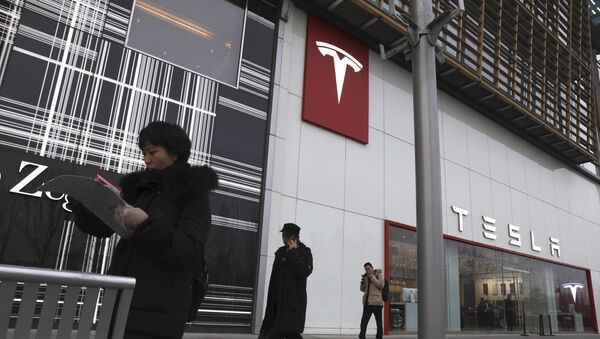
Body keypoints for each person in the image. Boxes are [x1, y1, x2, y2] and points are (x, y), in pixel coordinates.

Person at [69, 121, 218, 339]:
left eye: (152, 152)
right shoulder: (137, 187)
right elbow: (104, 228)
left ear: (174, 152)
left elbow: (187, 251)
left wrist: (145, 223)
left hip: (159, 312)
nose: (146, 159)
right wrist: (85, 203)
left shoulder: (192, 191)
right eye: (143, 152)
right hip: (119, 301)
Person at [259, 223, 313, 339]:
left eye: (286, 236)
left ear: (295, 237)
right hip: (277, 306)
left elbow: (304, 272)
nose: (283, 238)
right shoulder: (280, 252)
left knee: (291, 333)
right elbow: (274, 280)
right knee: (271, 333)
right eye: (283, 235)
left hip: (293, 307)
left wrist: (292, 253)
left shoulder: (305, 252)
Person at [359, 262, 384, 339]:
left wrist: (371, 276)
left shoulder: (379, 273)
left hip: (377, 303)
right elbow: (362, 289)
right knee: (363, 322)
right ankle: (362, 337)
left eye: (368, 268)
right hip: (367, 303)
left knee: (378, 323)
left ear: (372, 268)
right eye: (366, 269)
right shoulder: (366, 277)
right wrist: (362, 282)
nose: (367, 270)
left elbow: (380, 285)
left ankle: (379, 337)